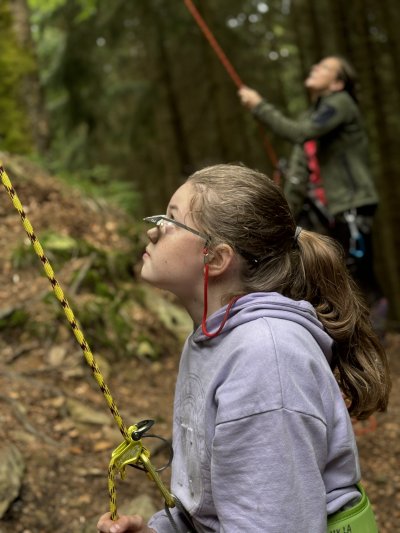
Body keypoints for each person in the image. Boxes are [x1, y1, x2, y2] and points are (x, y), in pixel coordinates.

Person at [97, 163, 390, 533]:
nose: (154, 231)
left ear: (216, 259)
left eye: (171, 220)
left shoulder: (266, 357)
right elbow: (214, 506)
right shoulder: (213, 338)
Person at [238, 56, 388, 334]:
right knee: (334, 270)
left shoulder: (340, 103)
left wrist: (259, 106)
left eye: (324, 68)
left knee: (358, 271)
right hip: (328, 208)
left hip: (352, 203)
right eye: (315, 65)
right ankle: (356, 333)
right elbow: (300, 166)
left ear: (338, 83)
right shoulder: (316, 115)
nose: (314, 68)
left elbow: (299, 132)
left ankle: (375, 336)